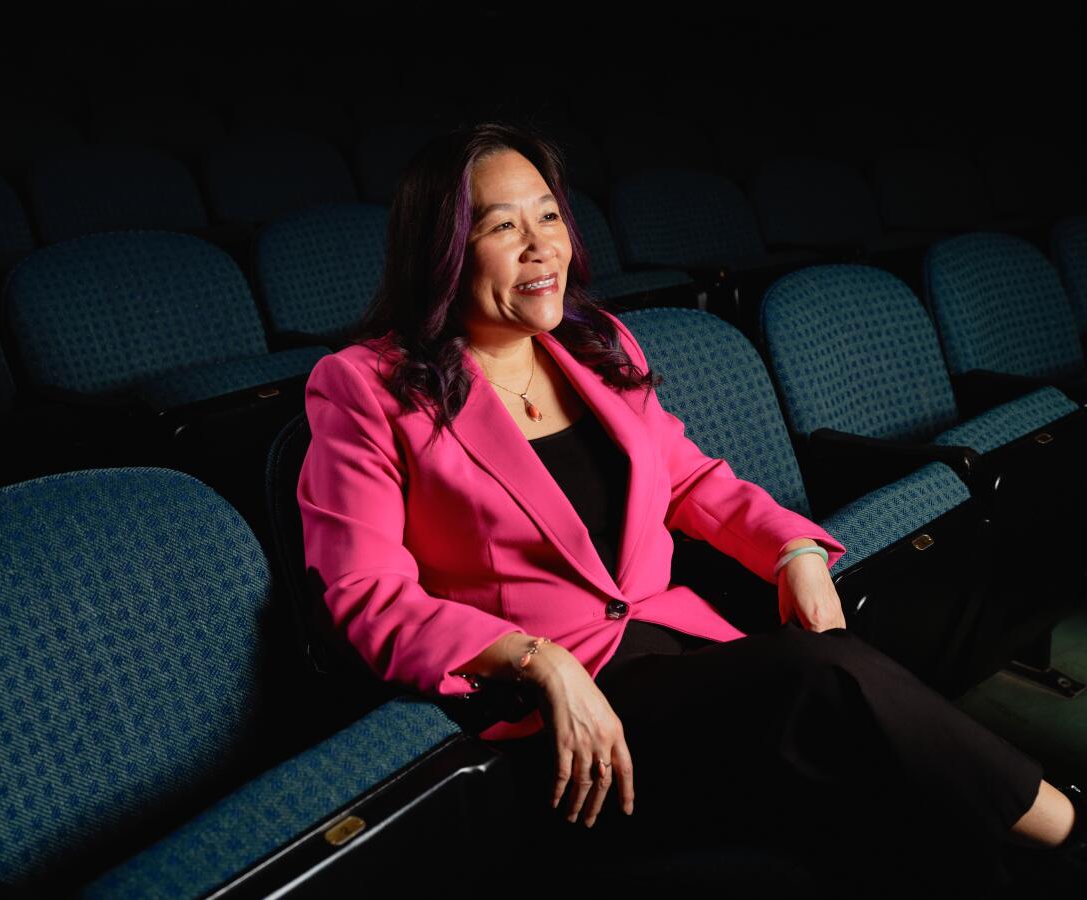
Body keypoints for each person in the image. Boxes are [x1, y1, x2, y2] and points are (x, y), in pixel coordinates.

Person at [294, 120, 1086, 895]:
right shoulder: (366, 387)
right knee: (829, 681)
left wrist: (792, 550)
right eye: (504, 227)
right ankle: (1074, 831)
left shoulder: (598, 343)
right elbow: (366, 597)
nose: (543, 246)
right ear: (443, 251)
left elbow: (689, 479)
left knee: (878, 796)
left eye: (549, 215)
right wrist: (539, 659)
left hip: (677, 656)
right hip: (553, 719)